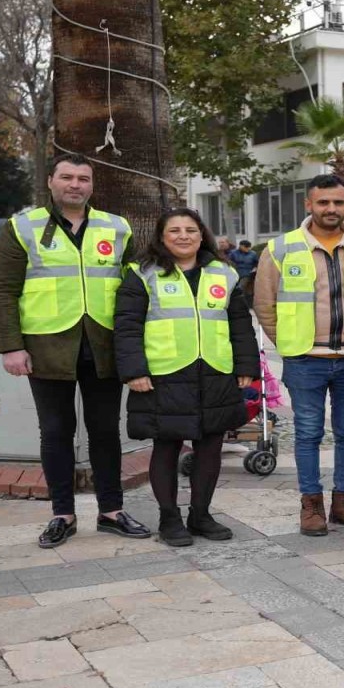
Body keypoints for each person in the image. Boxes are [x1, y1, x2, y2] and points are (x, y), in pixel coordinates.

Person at [0, 153, 151, 548]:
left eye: (83, 178)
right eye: (67, 177)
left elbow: (135, 287)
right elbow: (4, 290)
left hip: (104, 345)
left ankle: (111, 511)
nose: (75, 184)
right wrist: (11, 347)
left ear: (92, 186)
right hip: (46, 347)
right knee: (56, 432)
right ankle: (62, 513)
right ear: (51, 182)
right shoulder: (22, 227)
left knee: (105, 432)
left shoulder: (116, 228)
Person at [114, 208, 260, 546]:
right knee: (166, 446)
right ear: (161, 237)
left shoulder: (223, 274)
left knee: (210, 447)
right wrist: (134, 370)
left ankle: (200, 515)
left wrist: (246, 367)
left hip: (215, 372)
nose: (183, 236)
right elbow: (126, 327)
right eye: (175, 230)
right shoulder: (143, 274)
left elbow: (240, 324)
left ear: (201, 234)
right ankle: (169, 518)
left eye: (190, 230)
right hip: (164, 374)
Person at [255, 174, 344, 536]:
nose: (331, 209)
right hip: (305, 359)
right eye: (323, 202)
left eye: (338, 202)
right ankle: (311, 506)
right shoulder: (281, 248)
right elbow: (264, 304)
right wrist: (290, 345)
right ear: (309, 205)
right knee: (307, 432)